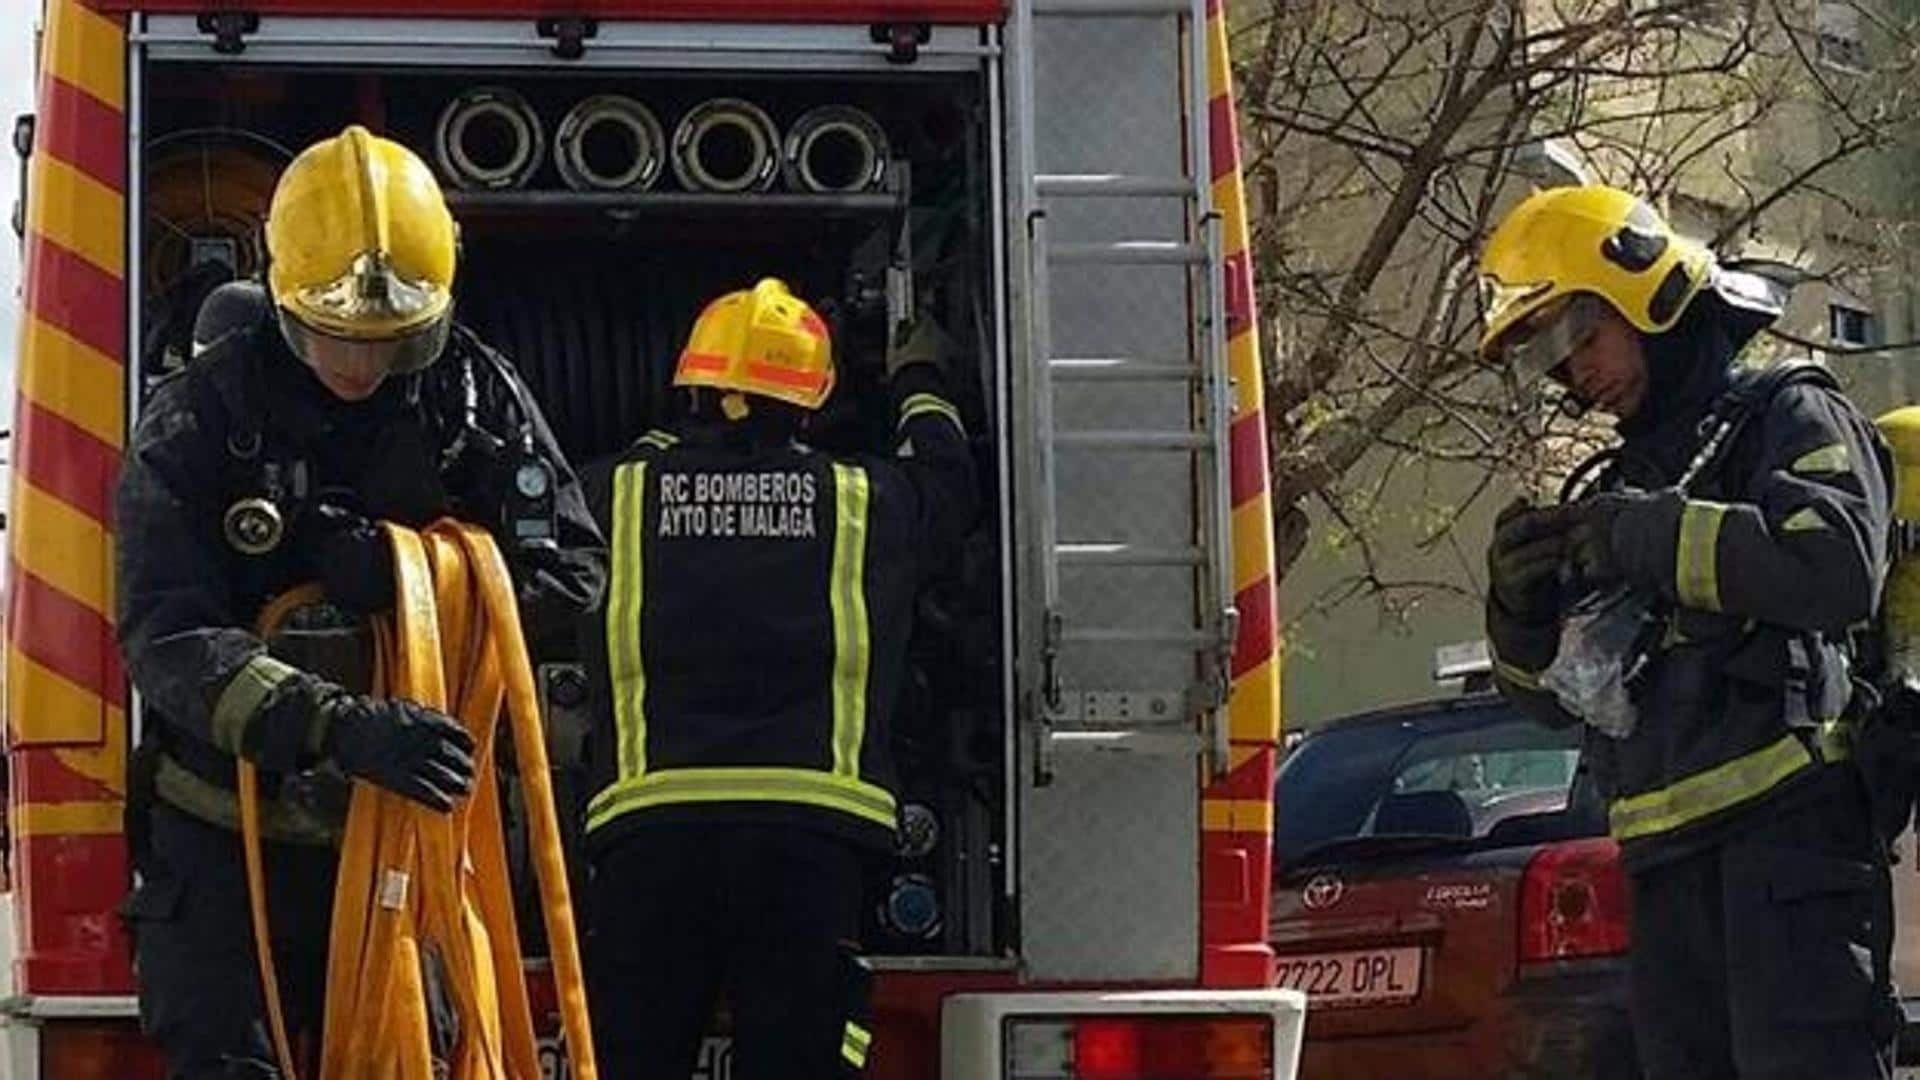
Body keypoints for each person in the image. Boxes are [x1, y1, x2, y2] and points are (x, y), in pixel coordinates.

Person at [114, 125, 606, 1079]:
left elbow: (573, 570)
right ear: (282, 299)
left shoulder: (470, 392)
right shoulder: (202, 417)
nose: (359, 366)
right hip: (231, 837)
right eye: (332, 337)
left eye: (390, 341)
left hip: (407, 837)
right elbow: (167, 637)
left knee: (410, 1057)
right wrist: (335, 725)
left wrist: (413, 572)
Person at [1477, 184, 1900, 1079]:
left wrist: (1645, 535)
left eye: (1580, 337)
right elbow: (1555, 705)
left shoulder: (1788, 415)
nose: (1574, 376)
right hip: (1664, 869)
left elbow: (1836, 571)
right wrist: (1518, 612)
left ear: (1647, 293)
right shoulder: (1616, 483)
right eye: (1551, 363)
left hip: (1788, 849)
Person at [578, 278, 978, 1078]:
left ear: (692, 387)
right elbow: (951, 483)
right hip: (808, 844)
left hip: (651, 839)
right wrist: (918, 381)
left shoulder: (614, 493)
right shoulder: (865, 500)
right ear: (812, 404)